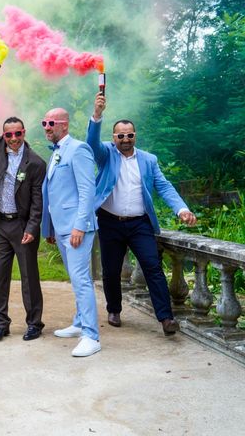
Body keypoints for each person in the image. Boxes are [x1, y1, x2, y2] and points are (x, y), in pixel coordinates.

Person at [87, 93, 197, 335]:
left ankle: (166, 318)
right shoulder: (105, 154)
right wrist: (97, 115)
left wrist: (182, 209)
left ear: (135, 136)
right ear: (114, 137)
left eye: (130, 135)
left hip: (140, 224)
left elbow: (164, 186)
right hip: (110, 222)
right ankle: (114, 308)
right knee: (111, 270)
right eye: (121, 136)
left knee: (152, 267)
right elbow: (92, 143)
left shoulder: (148, 160)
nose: (126, 139)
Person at [0, 79, 46, 343]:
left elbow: (38, 200)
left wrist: (32, 228)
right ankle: (0, 324)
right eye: (8, 134)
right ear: (4, 136)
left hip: (22, 226)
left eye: (17, 134)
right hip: (0, 224)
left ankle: (35, 323)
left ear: (24, 133)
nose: (13, 138)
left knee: (29, 277)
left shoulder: (36, 162)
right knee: (0, 274)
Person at [41, 106, 100, 357]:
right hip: (62, 227)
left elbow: (87, 191)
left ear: (64, 125)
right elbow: (55, 194)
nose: (46, 127)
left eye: (50, 123)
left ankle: (91, 335)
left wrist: (79, 225)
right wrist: (51, 227)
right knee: (75, 278)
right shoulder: (56, 153)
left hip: (78, 228)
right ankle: (78, 322)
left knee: (81, 280)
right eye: (44, 123)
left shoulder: (78, 149)